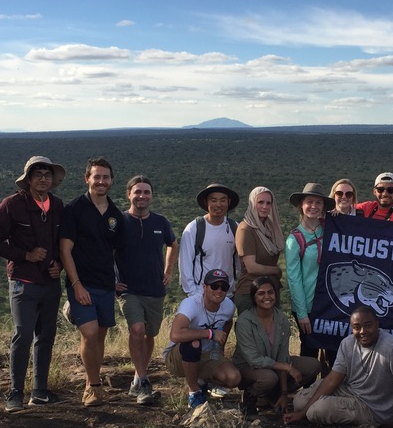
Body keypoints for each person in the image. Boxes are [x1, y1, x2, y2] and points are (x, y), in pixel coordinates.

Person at [0, 155, 65, 414]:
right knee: (23, 334)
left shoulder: (58, 206)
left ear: (52, 180)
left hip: (50, 282)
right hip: (23, 282)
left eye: (47, 174)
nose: (43, 178)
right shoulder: (12, 205)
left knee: (46, 335)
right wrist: (26, 255)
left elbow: (65, 243)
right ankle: (15, 392)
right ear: (28, 179)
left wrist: (59, 264)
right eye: (37, 174)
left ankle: (39, 391)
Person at [285, 305, 393, 428]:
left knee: (316, 410)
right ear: (352, 328)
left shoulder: (392, 347)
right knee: (299, 402)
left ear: (377, 324)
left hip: (372, 408)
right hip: (350, 392)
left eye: (368, 325)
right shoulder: (348, 343)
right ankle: (315, 409)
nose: (363, 331)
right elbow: (332, 379)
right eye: (357, 327)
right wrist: (301, 413)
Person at [59, 157, 123, 408]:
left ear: (111, 181)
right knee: (89, 332)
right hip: (81, 283)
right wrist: (76, 285)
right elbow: (65, 250)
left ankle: (93, 381)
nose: (101, 181)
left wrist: (116, 280)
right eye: (97, 176)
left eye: (106, 177)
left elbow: (116, 252)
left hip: (105, 284)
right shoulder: (74, 210)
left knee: (101, 335)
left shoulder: (115, 214)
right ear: (87, 179)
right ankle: (92, 385)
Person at [115, 175, 178, 406]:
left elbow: (173, 244)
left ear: (151, 195)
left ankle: (136, 378)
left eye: (146, 192)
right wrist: (112, 280)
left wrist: (169, 270)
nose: (142, 196)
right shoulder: (119, 221)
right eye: (137, 192)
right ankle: (143, 381)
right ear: (128, 194)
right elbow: (104, 250)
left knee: (150, 334)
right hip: (128, 289)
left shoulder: (160, 222)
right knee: (137, 329)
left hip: (155, 289)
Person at [232, 276, 321, 415]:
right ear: (254, 297)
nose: (267, 297)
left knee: (313, 365)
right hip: (248, 367)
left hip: (274, 364)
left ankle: (274, 395)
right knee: (268, 378)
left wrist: (284, 392)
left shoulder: (281, 318)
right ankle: (250, 398)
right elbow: (254, 359)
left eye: (270, 292)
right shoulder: (245, 321)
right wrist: (287, 367)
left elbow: (283, 356)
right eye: (261, 293)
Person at [165, 269, 241, 408]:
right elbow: (175, 335)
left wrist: (220, 347)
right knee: (193, 344)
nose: (219, 290)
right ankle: (194, 392)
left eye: (223, 287)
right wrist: (209, 334)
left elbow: (228, 321)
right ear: (204, 287)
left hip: (207, 355)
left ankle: (202, 380)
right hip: (178, 356)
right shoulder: (191, 304)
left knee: (233, 378)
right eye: (214, 286)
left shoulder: (228, 306)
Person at [285, 182, 334, 362]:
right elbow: (294, 279)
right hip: (308, 305)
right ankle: (308, 389)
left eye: (318, 203)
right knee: (309, 353)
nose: (313, 206)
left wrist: (338, 218)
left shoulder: (330, 229)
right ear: (301, 205)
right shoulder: (294, 239)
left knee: (333, 352)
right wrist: (302, 313)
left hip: (330, 303)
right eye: (309, 202)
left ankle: (330, 389)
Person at [179, 183, 240, 297]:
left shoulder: (235, 228)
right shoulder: (194, 229)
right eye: (213, 200)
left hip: (227, 295)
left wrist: (237, 286)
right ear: (206, 202)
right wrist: (193, 294)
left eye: (223, 200)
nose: (218, 204)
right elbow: (185, 264)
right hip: (201, 295)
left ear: (229, 202)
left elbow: (239, 261)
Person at [234, 186, 285, 312]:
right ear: (252, 204)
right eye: (260, 202)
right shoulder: (246, 229)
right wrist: (275, 270)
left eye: (269, 203)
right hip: (250, 293)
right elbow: (251, 267)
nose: (265, 206)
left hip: (270, 292)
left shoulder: (270, 228)